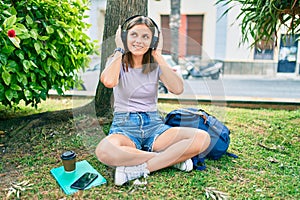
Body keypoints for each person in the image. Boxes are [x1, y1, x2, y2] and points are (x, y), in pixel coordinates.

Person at [95, 15, 210, 186]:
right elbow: (109, 81)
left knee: (203, 138)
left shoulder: (156, 65)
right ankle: (171, 160)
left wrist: (158, 55)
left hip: (154, 126)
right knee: (104, 150)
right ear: (125, 37)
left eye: (145, 37)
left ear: (153, 41)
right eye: (134, 35)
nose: (139, 41)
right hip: (124, 125)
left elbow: (177, 88)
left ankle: (138, 169)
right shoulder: (116, 60)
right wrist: (119, 49)